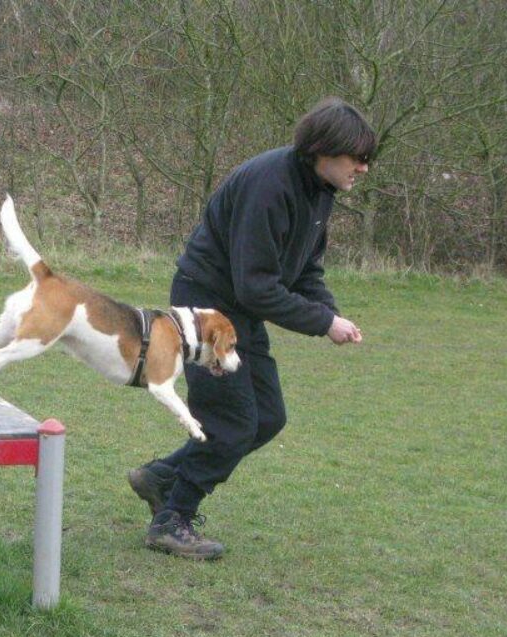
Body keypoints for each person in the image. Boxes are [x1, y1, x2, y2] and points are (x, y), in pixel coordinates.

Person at [130, 97, 377, 560]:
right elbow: (256, 286)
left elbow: (303, 271)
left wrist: (330, 312)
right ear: (324, 149)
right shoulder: (270, 185)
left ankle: (163, 477)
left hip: (240, 310)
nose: (364, 168)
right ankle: (171, 519)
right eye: (358, 158)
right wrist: (323, 323)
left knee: (267, 416)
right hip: (208, 309)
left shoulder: (318, 192)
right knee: (233, 421)